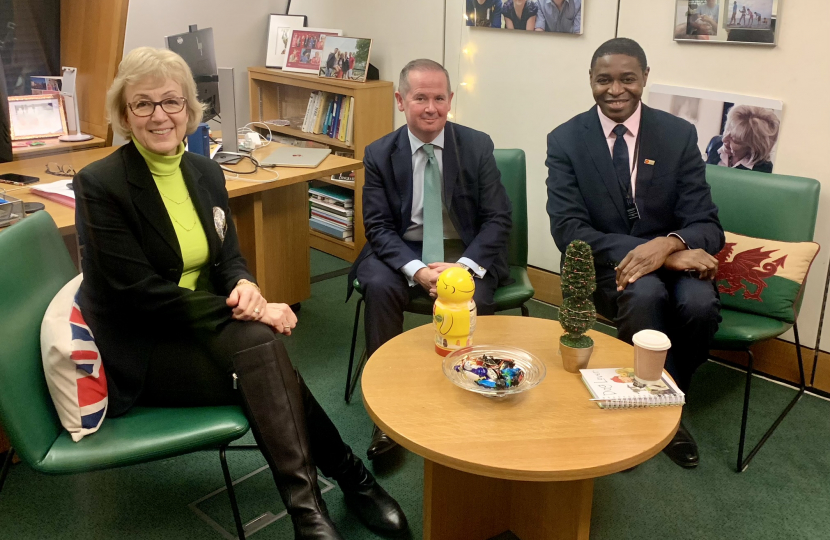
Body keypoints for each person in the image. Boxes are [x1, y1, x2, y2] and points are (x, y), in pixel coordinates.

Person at [73, 47, 407, 540]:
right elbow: (138, 294)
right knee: (266, 356)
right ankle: (344, 487)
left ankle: (313, 512)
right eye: (143, 104)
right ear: (124, 114)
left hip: (205, 329)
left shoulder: (206, 173)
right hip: (143, 347)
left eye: (171, 101)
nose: (160, 115)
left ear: (189, 108)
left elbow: (227, 255)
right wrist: (261, 312)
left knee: (262, 354)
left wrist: (247, 286)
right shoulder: (100, 185)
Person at [545, 38, 723, 469]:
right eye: (603, 79)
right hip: (611, 267)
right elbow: (569, 232)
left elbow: (707, 226)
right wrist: (651, 253)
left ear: (644, 77)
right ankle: (652, 414)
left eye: (628, 78)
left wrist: (669, 246)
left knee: (699, 306)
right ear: (590, 80)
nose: (615, 89)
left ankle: (666, 402)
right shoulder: (566, 140)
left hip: (677, 264)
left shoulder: (678, 135)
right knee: (645, 297)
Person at [347, 59, 512, 460]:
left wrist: (463, 268)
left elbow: (497, 219)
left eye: (439, 98)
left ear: (451, 100)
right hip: (403, 250)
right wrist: (418, 270)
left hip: (464, 251)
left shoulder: (476, 145)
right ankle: (387, 411)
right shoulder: (379, 154)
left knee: (476, 295)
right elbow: (379, 227)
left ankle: (470, 394)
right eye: (420, 98)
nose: (431, 108)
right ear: (401, 100)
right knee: (380, 287)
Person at [706, 104, 779, 173]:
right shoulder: (715, 143)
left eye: (734, 139)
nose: (724, 139)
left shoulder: (764, 171)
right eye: (727, 130)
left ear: (753, 148)